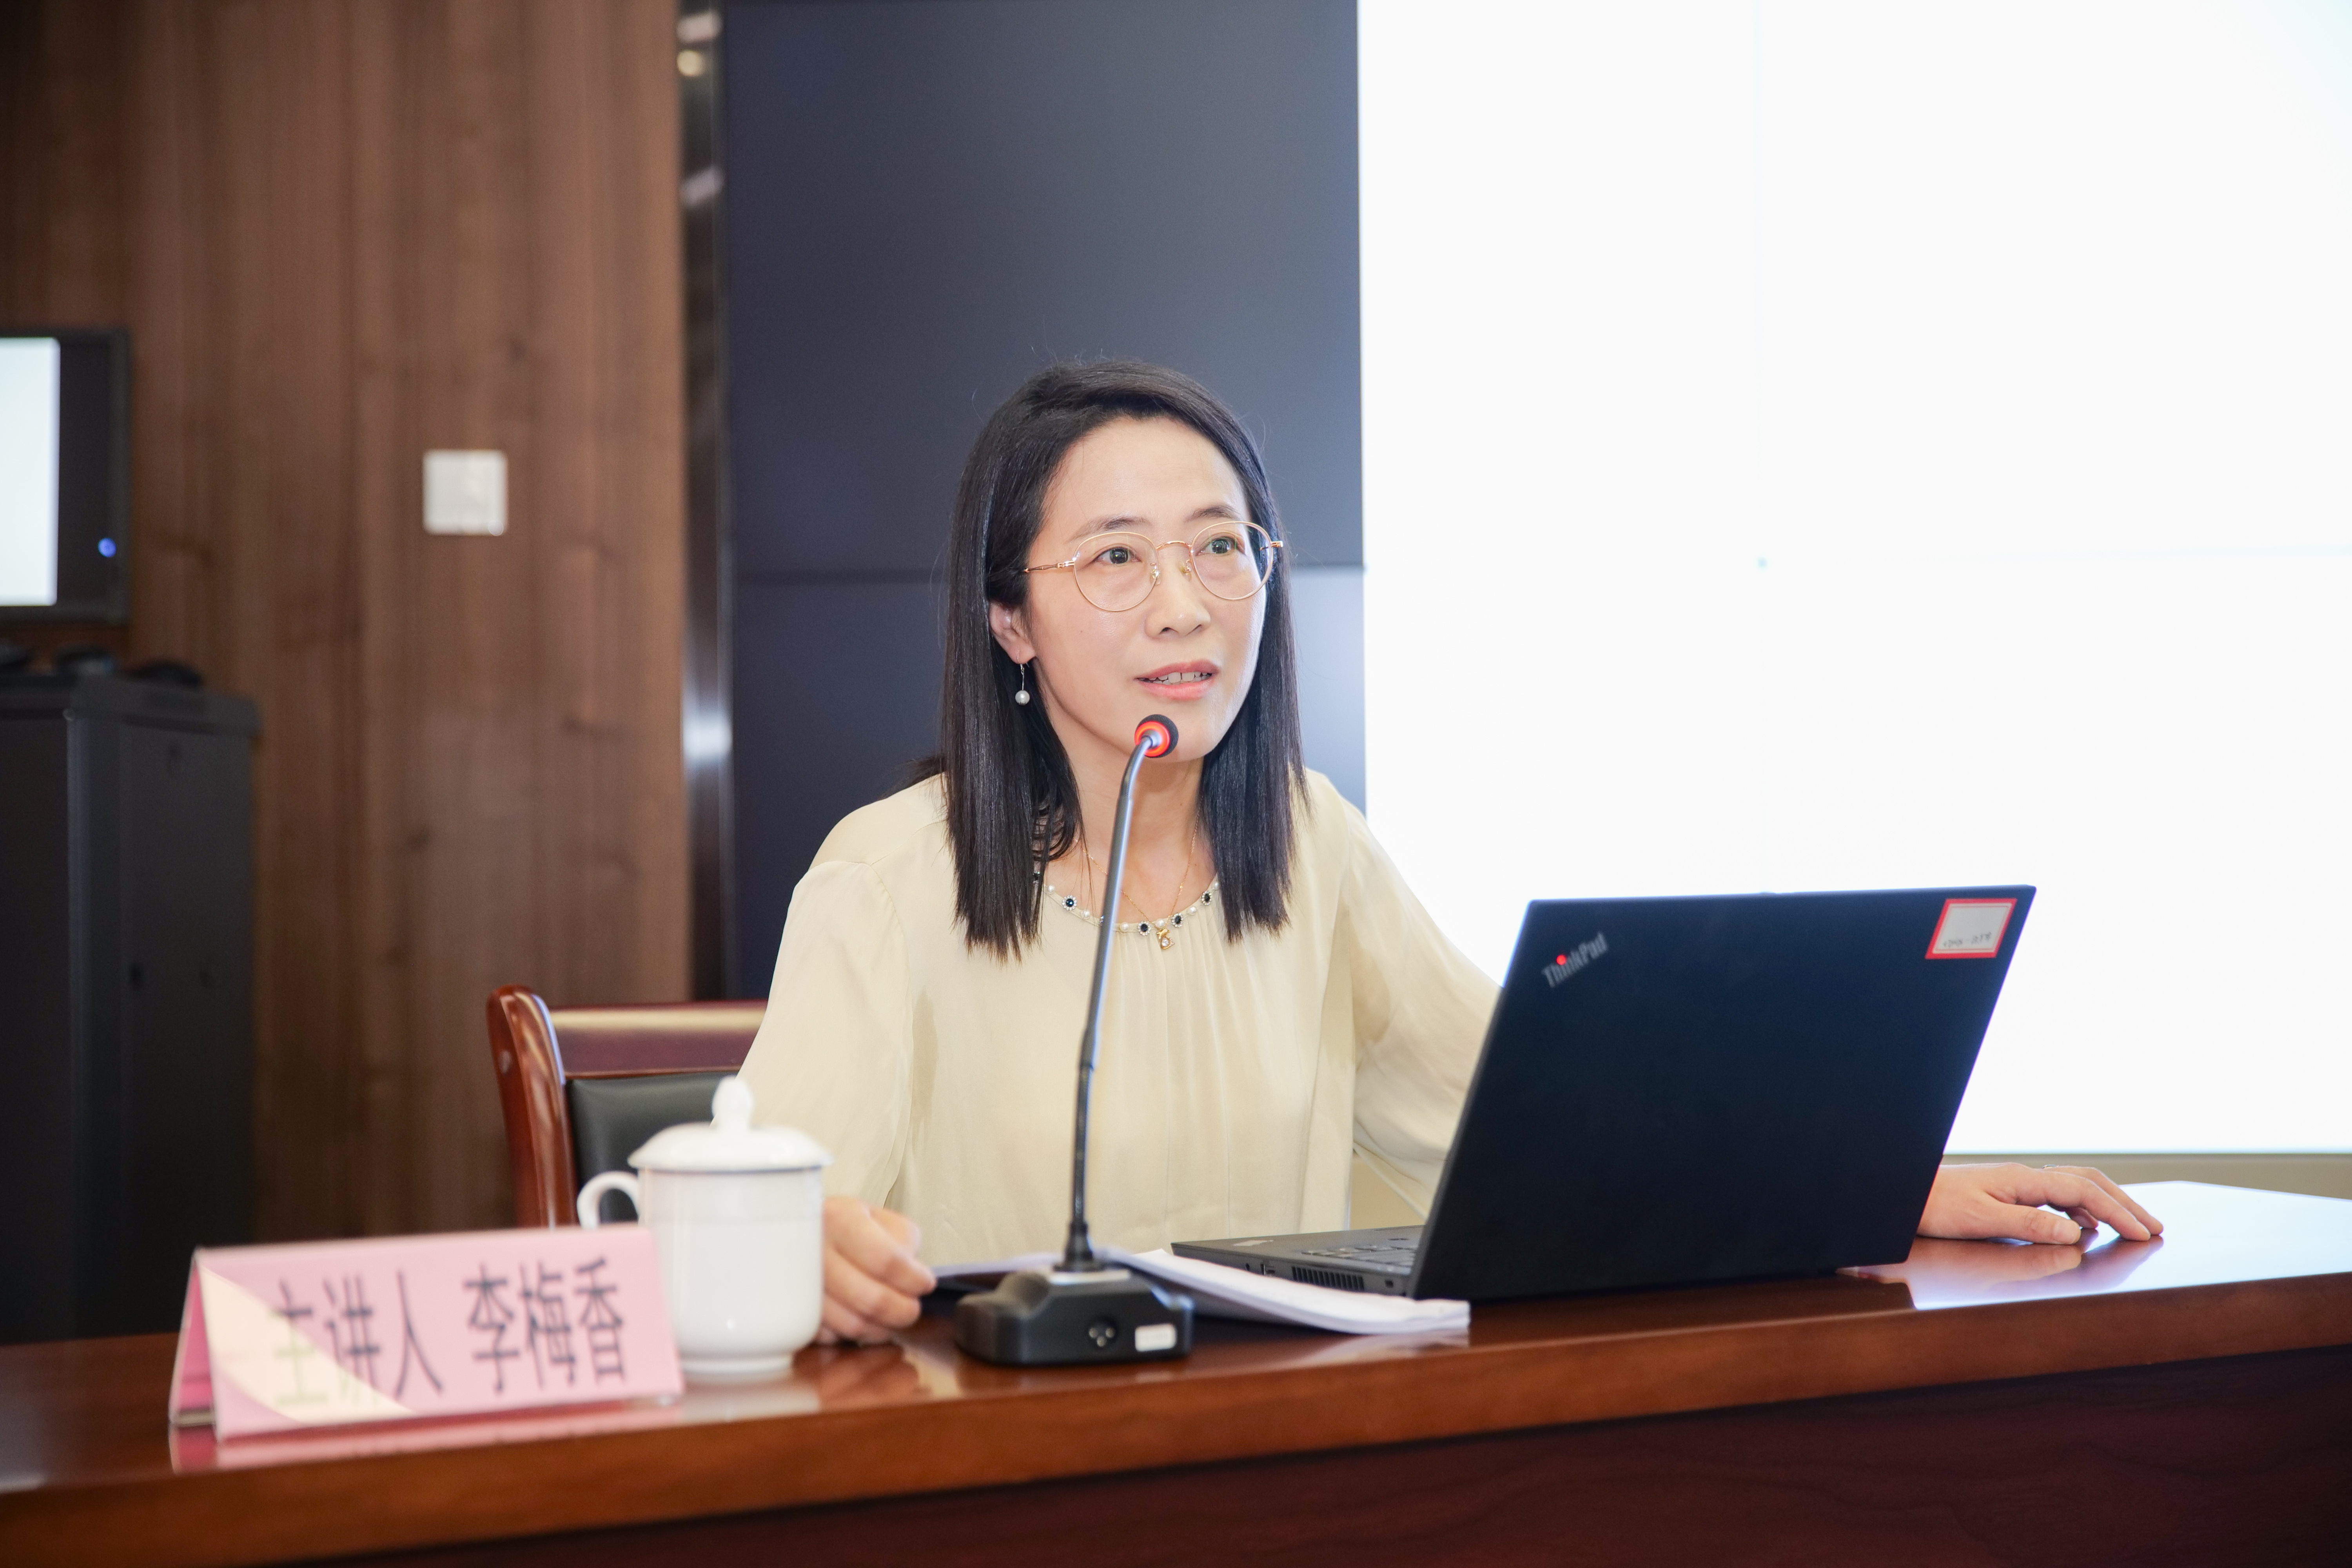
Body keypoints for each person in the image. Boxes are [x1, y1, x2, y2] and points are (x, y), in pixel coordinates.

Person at [739, 361, 2162, 1347]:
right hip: (1003, 1470)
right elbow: (761, 1221)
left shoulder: (1310, 843)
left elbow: (1547, 1132)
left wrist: (1884, 1185)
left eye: (1221, 548)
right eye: (1117, 558)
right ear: (1009, 620)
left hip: (1297, 1465)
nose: (1184, 605)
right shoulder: (890, 879)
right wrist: (797, 1249)